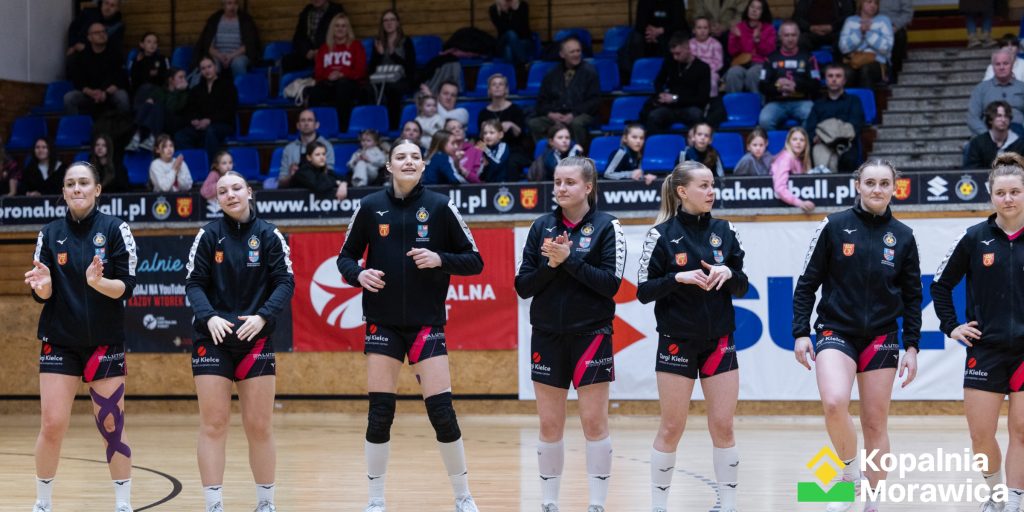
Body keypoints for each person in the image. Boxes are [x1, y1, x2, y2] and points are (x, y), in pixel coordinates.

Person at [337, 138, 484, 512]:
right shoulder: (369, 207)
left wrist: (439, 259)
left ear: (423, 165)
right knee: (380, 413)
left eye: (415, 157)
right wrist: (358, 274)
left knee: (442, 412)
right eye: (400, 157)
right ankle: (375, 500)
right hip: (382, 324)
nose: (408, 161)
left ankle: (463, 496)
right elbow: (345, 258)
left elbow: (475, 260)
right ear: (389, 166)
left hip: (426, 324)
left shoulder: (440, 206)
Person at [793, 159, 922, 512]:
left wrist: (912, 346)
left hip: (882, 336)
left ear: (894, 188)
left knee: (875, 423)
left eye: (884, 183)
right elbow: (806, 284)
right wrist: (800, 332)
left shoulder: (904, 236)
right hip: (836, 330)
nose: (877, 189)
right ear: (858, 186)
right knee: (835, 403)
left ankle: (872, 503)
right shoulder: (833, 226)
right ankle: (850, 474)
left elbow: (913, 297)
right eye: (870, 183)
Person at [24, 161, 139, 512]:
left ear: (97, 189)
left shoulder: (116, 229)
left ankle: (122, 503)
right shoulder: (49, 233)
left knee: (111, 424)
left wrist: (97, 283)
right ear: (63, 191)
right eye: (71, 183)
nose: (77, 188)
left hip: (104, 341)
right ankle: (43, 502)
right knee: (52, 424)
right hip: (60, 341)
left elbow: (126, 287)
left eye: (84, 183)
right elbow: (42, 293)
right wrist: (43, 287)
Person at [515, 156, 624, 512]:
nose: (561, 188)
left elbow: (610, 285)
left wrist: (570, 260)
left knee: (594, 422)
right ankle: (549, 502)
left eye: (570, 182)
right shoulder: (541, 227)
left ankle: (596, 504)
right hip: (547, 335)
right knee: (550, 424)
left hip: (591, 334)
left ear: (588, 187)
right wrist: (551, 264)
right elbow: (523, 286)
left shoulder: (608, 226)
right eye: (558, 182)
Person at [637, 161, 747, 512]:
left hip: (719, 341)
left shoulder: (725, 230)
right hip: (676, 341)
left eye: (713, 185)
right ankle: (658, 506)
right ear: (682, 191)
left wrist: (728, 273)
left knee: (723, 426)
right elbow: (643, 291)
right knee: (671, 426)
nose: (711, 191)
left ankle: (728, 505)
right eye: (704, 186)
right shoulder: (660, 235)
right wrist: (677, 278)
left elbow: (742, 285)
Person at [185, 171, 294, 512]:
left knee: (259, 426)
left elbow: (285, 282)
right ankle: (214, 505)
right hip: (212, 340)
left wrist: (263, 316)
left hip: (255, 340)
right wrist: (209, 316)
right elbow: (193, 283)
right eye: (222, 191)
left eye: (236, 188)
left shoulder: (269, 235)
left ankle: (266, 503)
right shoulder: (207, 235)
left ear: (249, 192)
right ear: (217, 198)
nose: (230, 195)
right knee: (214, 423)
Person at [932, 153, 1024, 512]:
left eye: (1015, 191)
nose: (1008, 199)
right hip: (985, 351)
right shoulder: (973, 238)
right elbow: (940, 285)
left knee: (1021, 430)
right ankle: (995, 493)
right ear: (991, 195)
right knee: (981, 435)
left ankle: (1014, 499)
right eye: (1001, 192)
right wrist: (951, 326)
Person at [529, 36, 601, 148]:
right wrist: (550, 114)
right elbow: (541, 102)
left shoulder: (590, 72)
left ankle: (576, 154)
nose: (576, 54)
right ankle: (547, 153)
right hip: (556, 115)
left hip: (580, 114)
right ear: (562, 54)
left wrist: (573, 114)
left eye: (578, 51)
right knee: (534, 124)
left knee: (577, 123)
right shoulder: (551, 74)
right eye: (572, 52)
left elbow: (594, 101)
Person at [641, 33, 711, 134]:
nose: (675, 57)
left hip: (690, 106)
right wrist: (661, 94)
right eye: (673, 54)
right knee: (654, 116)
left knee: (696, 116)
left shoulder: (703, 68)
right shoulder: (670, 63)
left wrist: (675, 98)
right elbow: (659, 81)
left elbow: (702, 98)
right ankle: (657, 142)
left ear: (688, 49)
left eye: (678, 53)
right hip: (670, 107)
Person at [307, 13, 367, 131]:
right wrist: (328, 76)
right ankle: (314, 129)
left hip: (350, 84)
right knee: (314, 92)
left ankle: (342, 129)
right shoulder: (324, 48)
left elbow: (360, 71)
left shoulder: (356, 46)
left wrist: (342, 74)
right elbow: (318, 73)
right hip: (329, 83)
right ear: (332, 29)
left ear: (348, 29)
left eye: (343, 26)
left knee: (342, 86)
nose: (340, 29)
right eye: (337, 26)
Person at [758, 21, 820, 131]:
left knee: (812, 117)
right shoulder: (770, 58)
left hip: (802, 101)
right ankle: (777, 142)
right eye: (786, 35)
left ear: (798, 36)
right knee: (764, 120)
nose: (790, 39)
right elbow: (762, 86)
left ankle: (800, 141)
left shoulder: (808, 57)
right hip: (776, 102)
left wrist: (796, 86)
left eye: (793, 35)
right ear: (780, 37)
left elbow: (816, 84)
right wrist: (777, 87)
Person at [805, 63, 866, 173]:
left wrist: (827, 133)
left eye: (838, 76)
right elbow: (810, 128)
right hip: (822, 144)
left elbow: (855, 126)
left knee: (849, 159)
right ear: (825, 80)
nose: (834, 79)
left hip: (846, 144)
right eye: (830, 76)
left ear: (844, 80)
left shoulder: (854, 101)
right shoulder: (818, 104)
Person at [175, 56, 238, 161]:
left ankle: (213, 166)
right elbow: (190, 109)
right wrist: (194, 120)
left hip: (223, 125)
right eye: (203, 68)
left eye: (209, 67)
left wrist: (209, 120)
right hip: (201, 126)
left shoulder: (228, 86)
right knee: (180, 136)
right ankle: (194, 164)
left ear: (215, 67)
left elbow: (229, 110)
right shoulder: (196, 89)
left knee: (211, 131)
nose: (207, 70)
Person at [65, 22, 130, 116]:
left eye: (104, 31)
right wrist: (90, 92)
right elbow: (78, 80)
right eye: (97, 32)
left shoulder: (116, 53)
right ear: (89, 37)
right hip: (89, 93)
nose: (102, 34)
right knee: (69, 98)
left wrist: (106, 93)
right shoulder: (82, 56)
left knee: (122, 97)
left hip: (109, 93)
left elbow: (120, 77)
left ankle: (124, 124)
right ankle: (76, 124)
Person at [620, 0, 689, 82]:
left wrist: (661, 31)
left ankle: (673, 76)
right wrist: (652, 33)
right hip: (649, 35)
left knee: (676, 40)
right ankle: (634, 75)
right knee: (635, 39)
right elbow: (640, 23)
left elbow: (679, 23)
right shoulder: (644, 1)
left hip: (669, 33)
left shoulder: (677, 2)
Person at [369, 10, 417, 126]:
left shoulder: (406, 41)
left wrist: (392, 54)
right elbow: (371, 69)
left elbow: (410, 67)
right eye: (385, 20)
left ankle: (393, 126)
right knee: (368, 90)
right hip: (381, 78)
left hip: (401, 79)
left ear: (397, 23)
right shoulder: (378, 42)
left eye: (392, 20)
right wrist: (379, 54)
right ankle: (373, 125)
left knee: (392, 90)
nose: (389, 23)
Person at [195, 0, 262, 78]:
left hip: (238, 55)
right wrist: (220, 56)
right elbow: (208, 45)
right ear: (223, 5)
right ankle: (213, 86)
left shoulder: (245, 21)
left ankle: (239, 85)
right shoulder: (214, 20)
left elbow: (248, 45)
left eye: (235, 3)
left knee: (238, 64)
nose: (232, 7)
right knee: (210, 65)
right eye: (229, 3)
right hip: (218, 55)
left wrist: (231, 56)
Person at [478, 74, 530, 170]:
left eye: (501, 84)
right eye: (494, 84)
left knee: (509, 162)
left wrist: (512, 125)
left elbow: (522, 135)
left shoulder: (515, 109)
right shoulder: (483, 113)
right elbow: (480, 140)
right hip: (491, 150)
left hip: (513, 150)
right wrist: (478, 153)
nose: (497, 86)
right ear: (489, 90)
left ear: (506, 89)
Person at [838, 0, 893, 90]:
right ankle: (847, 99)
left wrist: (868, 33)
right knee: (846, 73)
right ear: (860, 3)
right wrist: (859, 33)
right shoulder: (850, 21)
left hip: (877, 62)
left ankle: (867, 99)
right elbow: (843, 48)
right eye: (869, 2)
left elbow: (887, 48)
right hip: (854, 60)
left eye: (876, 3)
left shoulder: (884, 20)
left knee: (866, 70)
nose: (873, 5)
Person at [723, 0, 776, 94]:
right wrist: (736, 38)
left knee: (752, 73)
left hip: (760, 63)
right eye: (752, 7)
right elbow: (732, 52)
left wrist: (758, 41)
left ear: (763, 12)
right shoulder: (739, 27)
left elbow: (770, 52)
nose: (754, 10)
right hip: (741, 63)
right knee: (733, 73)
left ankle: (756, 101)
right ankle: (734, 102)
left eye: (758, 8)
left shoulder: (769, 29)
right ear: (747, 9)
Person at [968, 48, 1024, 136]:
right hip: (988, 133)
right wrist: (987, 135)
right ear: (992, 67)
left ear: (1012, 65)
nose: (1002, 67)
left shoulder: (1022, 87)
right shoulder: (981, 89)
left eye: (1005, 63)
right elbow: (972, 118)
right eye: (998, 64)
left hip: (1019, 134)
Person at [276, 109, 336, 188]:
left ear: (317, 125)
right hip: (295, 192)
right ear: (298, 125)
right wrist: (291, 175)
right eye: (303, 120)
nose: (306, 123)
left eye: (310, 120)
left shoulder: (327, 146)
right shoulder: (289, 149)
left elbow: (329, 177)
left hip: (320, 191)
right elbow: (281, 183)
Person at [282, 0, 346, 72]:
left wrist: (322, 51)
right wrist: (306, 51)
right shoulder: (307, 12)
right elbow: (298, 37)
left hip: (328, 55)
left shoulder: (335, 12)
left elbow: (341, 36)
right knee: (286, 61)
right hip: (309, 56)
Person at [965, 101, 1024, 169]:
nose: (1003, 120)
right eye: (999, 116)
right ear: (990, 119)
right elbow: (973, 169)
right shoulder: (977, 143)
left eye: (1006, 116)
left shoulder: (1020, 144)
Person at [771, 127, 815, 212]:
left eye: (802, 140)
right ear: (788, 142)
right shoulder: (786, 157)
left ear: (806, 144)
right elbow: (779, 188)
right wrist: (800, 203)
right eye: (794, 139)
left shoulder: (800, 160)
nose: (798, 142)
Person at [690, 16, 725, 99]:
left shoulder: (716, 44)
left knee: (711, 81)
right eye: (699, 28)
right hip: (693, 72)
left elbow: (719, 63)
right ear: (694, 30)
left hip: (711, 72)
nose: (702, 31)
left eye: (705, 28)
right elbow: (689, 61)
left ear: (709, 30)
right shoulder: (689, 44)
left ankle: (710, 102)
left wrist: (705, 71)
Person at [879, 0, 912, 82]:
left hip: (895, 27)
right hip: (875, 26)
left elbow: (908, 14)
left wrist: (896, 26)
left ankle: (894, 76)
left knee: (899, 36)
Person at [128, 32, 170, 98]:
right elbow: (133, 80)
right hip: (141, 92)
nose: (152, 45)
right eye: (149, 42)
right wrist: (147, 73)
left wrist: (158, 73)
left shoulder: (162, 59)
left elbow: (167, 76)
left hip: (159, 91)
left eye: (155, 42)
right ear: (142, 44)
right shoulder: (136, 60)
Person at [490, 0, 531, 65]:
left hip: (522, 40)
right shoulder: (494, 9)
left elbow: (523, 30)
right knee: (510, 34)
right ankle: (524, 63)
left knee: (508, 49)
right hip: (503, 41)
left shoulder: (523, 6)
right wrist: (503, 13)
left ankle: (515, 68)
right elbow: (501, 29)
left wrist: (516, 11)